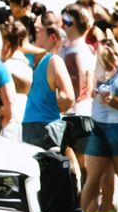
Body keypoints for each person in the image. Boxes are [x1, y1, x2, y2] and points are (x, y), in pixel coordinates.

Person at [82, 38, 118, 212]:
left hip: (117, 128)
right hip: (101, 127)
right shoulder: (97, 73)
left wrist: (111, 100)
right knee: (98, 177)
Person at [21, 23, 77, 151]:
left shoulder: (45, 61)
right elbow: (68, 98)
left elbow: (67, 97)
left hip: (31, 125)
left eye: (38, 32)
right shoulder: (52, 60)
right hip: (45, 126)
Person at [60, 4, 96, 185]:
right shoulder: (87, 48)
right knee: (83, 162)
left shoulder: (75, 52)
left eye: (66, 21)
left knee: (77, 162)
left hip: (75, 115)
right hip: (85, 112)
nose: (62, 24)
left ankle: (82, 201)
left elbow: (79, 85)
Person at [0, 20, 33, 142]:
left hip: (7, 125)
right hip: (25, 124)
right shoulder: (28, 68)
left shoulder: (5, 68)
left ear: (6, 44)